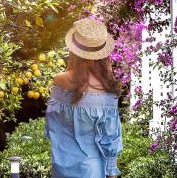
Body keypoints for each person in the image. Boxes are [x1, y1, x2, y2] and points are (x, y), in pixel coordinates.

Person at [45, 18, 123, 178]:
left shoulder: (60, 80)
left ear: (74, 50)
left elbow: (52, 127)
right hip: (94, 169)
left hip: (62, 166)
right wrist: (111, 173)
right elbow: (110, 139)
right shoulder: (108, 88)